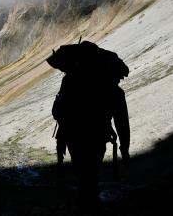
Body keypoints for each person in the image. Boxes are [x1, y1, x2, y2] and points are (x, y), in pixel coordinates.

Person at [53, 68, 130, 214]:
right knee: (92, 172)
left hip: (72, 135)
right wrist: (124, 148)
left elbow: (57, 111)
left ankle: (85, 204)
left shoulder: (70, 80)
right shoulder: (114, 90)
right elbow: (122, 121)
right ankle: (91, 204)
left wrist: (62, 137)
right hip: (98, 136)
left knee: (82, 173)